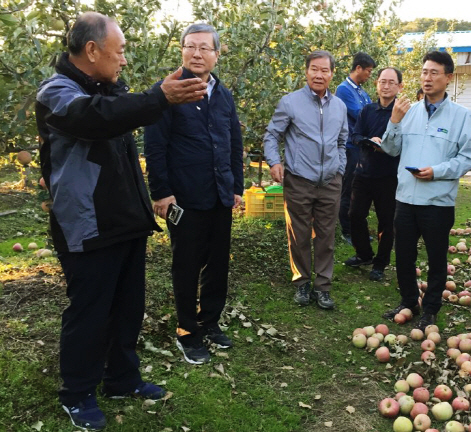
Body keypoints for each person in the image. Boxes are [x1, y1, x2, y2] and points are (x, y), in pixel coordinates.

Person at [35, 12, 207, 430]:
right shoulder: (57, 93)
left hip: (125, 217)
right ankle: (77, 393)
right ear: (92, 50)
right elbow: (95, 118)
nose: (124, 61)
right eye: (120, 52)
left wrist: (153, 96)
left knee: (127, 307)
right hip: (87, 223)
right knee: (90, 311)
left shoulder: (107, 88)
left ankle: (121, 378)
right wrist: (159, 97)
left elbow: (121, 111)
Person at [144, 24, 244, 365]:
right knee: (186, 264)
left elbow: (234, 143)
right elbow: (154, 146)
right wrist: (162, 193)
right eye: (190, 47)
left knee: (218, 264)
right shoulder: (167, 92)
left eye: (204, 48)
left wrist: (236, 188)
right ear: (182, 51)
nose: (197, 53)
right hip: (184, 198)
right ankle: (187, 330)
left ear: (216, 54)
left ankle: (210, 321)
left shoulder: (223, 94)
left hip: (219, 196)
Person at [379, 51, 471, 330]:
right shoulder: (407, 112)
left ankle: (431, 308)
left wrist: (437, 171)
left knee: (436, 258)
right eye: (424, 72)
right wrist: (394, 122)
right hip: (406, 198)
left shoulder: (461, 116)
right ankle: (409, 300)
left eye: (434, 73)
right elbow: (390, 149)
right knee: (404, 254)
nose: (427, 78)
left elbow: (468, 157)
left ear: (448, 78)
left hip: (437, 200)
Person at [264, 50, 348, 310]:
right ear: (306, 71)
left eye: (324, 70)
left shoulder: (340, 106)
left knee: (326, 236)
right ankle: (301, 283)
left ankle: (323, 287)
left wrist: (340, 168)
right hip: (300, 180)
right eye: (314, 69)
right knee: (298, 235)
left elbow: (342, 142)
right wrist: (274, 162)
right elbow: (271, 135)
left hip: (330, 182)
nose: (319, 74)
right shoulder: (291, 102)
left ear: (332, 74)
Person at [343, 67, 403, 281]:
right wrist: (367, 141)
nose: (386, 86)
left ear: (399, 86)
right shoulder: (367, 110)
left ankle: (380, 263)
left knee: (386, 221)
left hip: (389, 176)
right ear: (376, 84)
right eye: (382, 82)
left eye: (391, 83)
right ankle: (364, 254)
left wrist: (385, 144)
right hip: (364, 172)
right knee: (355, 214)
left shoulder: (403, 112)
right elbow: (355, 135)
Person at [335, 52, 376, 244]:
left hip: (363, 147)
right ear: (358, 68)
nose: (369, 75)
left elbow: (371, 110)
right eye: (368, 71)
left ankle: (357, 230)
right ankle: (347, 231)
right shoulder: (344, 90)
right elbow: (361, 114)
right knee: (348, 189)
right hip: (351, 146)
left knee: (359, 191)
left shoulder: (361, 91)